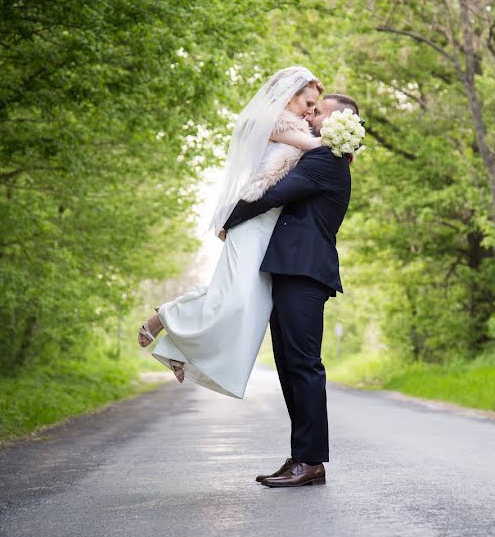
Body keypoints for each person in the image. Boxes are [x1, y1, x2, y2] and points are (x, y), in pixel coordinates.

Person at [136, 66, 324, 399]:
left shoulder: (297, 126)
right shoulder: (274, 123)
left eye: (314, 108)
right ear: (289, 96)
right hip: (253, 222)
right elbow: (314, 148)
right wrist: (343, 136)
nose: (311, 112)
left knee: (249, 303)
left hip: (273, 227)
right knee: (235, 299)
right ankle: (165, 317)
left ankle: (177, 348)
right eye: (308, 104)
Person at [220, 93, 358, 487]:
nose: (311, 115)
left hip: (304, 272)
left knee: (304, 366)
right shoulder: (316, 156)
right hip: (288, 271)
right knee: (289, 366)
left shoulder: (326, 159)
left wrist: (227, 220)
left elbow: (273, 194)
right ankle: (300, 456)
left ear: (339, 123)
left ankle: (311, 462)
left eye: (320, 112)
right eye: (312, 109)